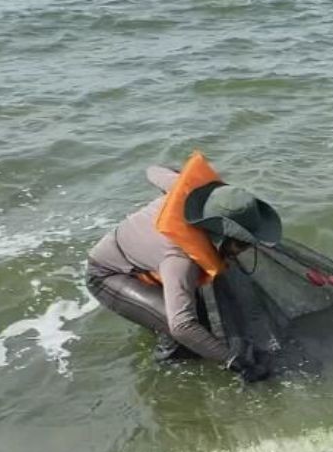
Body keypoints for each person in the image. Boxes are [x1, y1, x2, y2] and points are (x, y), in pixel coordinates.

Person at [86, 152, 282, 382]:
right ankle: (170, 384)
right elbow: (182, 326)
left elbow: (153, 170)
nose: (246, 250)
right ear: (219, 236)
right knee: (182, 339)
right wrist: (235, 361)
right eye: (241, 244)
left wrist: (178, 181)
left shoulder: (191, 195)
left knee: (196, 325)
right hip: (108, 275)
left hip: (147, 260)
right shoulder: (180, 261)